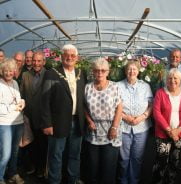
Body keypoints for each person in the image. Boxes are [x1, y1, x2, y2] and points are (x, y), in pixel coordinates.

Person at [41, 44, 86, 184]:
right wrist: (47, 123)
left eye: (73, 55)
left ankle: (72, 179)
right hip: (57, 122)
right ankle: (54, 181)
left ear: (77, 58)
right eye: (67, 55)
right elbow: (45, 100)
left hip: (77, 121)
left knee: (74, 155)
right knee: (56, 155)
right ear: (61, 57)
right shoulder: (51, 73)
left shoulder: (80, 73)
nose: (69, 57)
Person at [84, 58, 122, 184]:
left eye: (103, 70)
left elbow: (119, 108)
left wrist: (114, 127)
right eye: (96, 70)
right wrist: (89, 120)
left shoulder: (114, 87)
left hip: (111, 133)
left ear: (108, 72)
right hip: (93, 133)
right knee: (92, 169)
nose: (99, 73)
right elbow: (83, 106)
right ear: (92, 72)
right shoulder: (87, 87)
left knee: (108, 170)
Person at [117, 60, 153, 184]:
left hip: (141, 127)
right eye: (129, 69)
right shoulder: (118, 85)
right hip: (123, 127)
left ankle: (134, 181)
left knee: (137, 158)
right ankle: (123, 180)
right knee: (124, 158)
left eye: (134, 69)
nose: (132, 72)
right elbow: (113, 106)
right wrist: (125, 117)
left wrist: (142, 117)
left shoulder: (145, 86)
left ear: (138, 71)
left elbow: (151, 105)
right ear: (125, 71)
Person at [152, 68, 181, 184]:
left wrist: (178, 130)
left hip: (179, 135)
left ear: (180, 80)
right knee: (161, 162)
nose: (173, 80)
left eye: (176, 78)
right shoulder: (161, 93)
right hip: (162, 134)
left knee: (174, 163)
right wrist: (169, 130)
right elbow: (156, 112)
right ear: (166, 80)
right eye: (170, 78)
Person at [20, 51, 47, 178]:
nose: (36, 63)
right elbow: (21, 95)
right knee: (31, 146)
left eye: (39, 61)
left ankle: (42, 169)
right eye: (34, 60)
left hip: (44, 119)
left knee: (43, 146)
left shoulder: (49, 75)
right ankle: (34, 167)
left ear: (44, 62)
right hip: (29, 117)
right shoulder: (26, 75)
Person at [0, 58, 25, 184]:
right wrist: (14, 107)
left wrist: (22, 102)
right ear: (2, 71)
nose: (9, 73)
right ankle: (0, 177)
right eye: (6, 71)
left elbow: (18, 98)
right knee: (5, 154)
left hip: (18, 122)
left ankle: (12, 174)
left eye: (11, 70)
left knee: (15, 152)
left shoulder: (15, 83)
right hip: (4, 123)